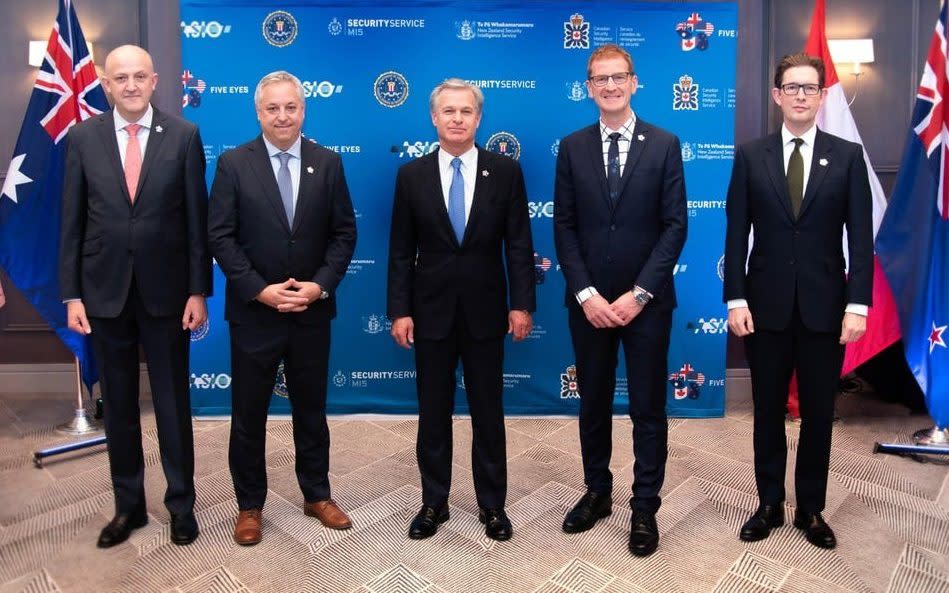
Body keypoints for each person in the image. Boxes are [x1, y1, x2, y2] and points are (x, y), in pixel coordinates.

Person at [60, 45, 211, 547]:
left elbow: (196, 221)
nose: (129, 85)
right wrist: (72, 296)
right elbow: (72, 224)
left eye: (139, 76)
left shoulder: (185, 136)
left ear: (155, 81)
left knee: (172, 405)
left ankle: (180, 506)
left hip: (168, 294)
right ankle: (129, 508)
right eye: (119, 77)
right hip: (103, 294)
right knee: (120, 406)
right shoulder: (83, 137)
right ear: (106, 84)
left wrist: (198, 290)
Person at [723, 52, 872, 550]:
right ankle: (768, 503)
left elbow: (861, 239)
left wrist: (858, 305)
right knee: (766, 409)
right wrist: (735, 298)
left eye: (810, 87)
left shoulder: (847, 157)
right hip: (763, 306)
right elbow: (734, 236)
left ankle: (810, 507)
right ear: (777, 95)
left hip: (825, 307)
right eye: (792, 87)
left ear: (823, 94)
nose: (802, 95)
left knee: (815, 412)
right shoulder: (751, 155)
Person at [207, 71, 357, 545]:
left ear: (303, 109)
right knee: (248, 415)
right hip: (254, 312)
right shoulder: (233, 164)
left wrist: (318, 287)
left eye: (290, 107)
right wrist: (259, 289)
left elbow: (343, 235)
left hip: (311, 311)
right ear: (258, 112)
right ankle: (249, 505)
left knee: (311, 411)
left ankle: (317, 494)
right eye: (272, 108)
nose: (282, 116)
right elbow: (220, 236)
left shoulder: (327, 163)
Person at [387, 78, 535, 542]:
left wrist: (522, 304)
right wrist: (399, 310)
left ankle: (492, 505)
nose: (456, 118)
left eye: (465, 111)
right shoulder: (411, 175)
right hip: (428, 313)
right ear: (434, 118)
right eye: (448, 111)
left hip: (486, 312)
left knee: (488, 412)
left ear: (478, 118)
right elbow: (398, 251)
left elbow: (519, 246)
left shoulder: (505, 172)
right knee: (433, 412)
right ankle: (434, 503)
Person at [553, 43, 687, 557]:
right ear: (589, 87)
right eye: (599, 79)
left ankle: (645, 506)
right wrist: (586, 293)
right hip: (588, 304)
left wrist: (640, 294)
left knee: (648, 409)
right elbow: (564, 225)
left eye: (618, 77)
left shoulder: (665, 143)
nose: (609, 86)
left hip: (647, 304)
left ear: (634, 83)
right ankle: (597, 493)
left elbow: (676, 225)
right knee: (593, 404)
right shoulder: (572, 146)